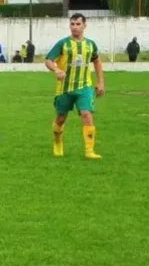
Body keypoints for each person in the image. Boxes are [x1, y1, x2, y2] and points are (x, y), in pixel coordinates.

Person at [44, 13, 106, 160]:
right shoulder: (63, 44)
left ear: (85, 25)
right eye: (72, 24)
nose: (75, 27)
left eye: (78, 24)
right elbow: (48, 60)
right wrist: (56, 69)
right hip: (65, 88)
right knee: (60, 119)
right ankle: (58, 141)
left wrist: (100, 82)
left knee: (87, 115)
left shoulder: (90, 45)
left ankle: (89, 151)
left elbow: (97, 61)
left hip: (84, 87)